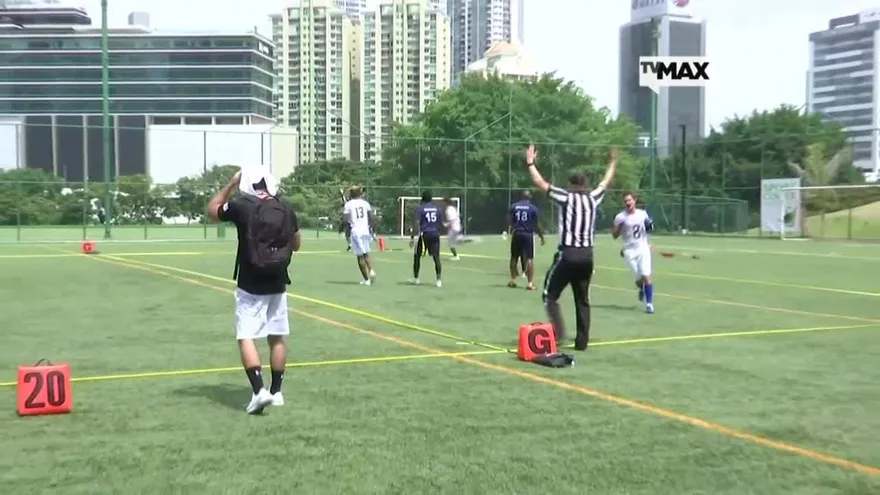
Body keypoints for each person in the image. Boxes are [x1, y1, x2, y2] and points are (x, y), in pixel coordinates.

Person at [206, 167, 301, 414]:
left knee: (246, 336)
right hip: (278, 280)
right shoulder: (286, 208)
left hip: (250, 282)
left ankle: (259, 390)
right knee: (277, 336)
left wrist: (230, 185)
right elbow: (297, 244)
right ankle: (277, 391)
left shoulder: (241, 206)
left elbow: (212, 212)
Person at [525, 143, 617, 351]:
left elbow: (540, 183)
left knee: (549, 295)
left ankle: (557, 333)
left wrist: (530, 162)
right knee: (582, 299)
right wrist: (612, 162)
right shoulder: (593, 198)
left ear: (571, 185)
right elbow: (606, 182)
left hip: (569, 254)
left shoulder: (566, 197)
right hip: (587, 256)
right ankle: (582, 342)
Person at [612, 192, 655, 313]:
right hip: (629, 250)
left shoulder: (642, 214)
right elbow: (614, 235)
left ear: (634, 201)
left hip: (642, 248)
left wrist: (650, 228)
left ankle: (649, 304)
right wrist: (620, 227)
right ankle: (642, 288)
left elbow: (648, 229)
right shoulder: (620, 217)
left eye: (629, 200)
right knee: (639, 280)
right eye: (625, 201)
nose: (628, 203)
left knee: (646, 276)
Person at [507, 190, 545, 290]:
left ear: (520, 197)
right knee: (529, 258)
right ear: (529, 197)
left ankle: (513, 280)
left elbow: (509, 220)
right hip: (528, 234)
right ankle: (530, 283)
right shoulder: (533, 208)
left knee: (514, 257)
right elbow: (536, 224)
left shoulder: (514, 206)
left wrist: (511, 229)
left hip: (517, 233)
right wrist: (541, 236)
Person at [342, 186, 377, 285]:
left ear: (351, 194)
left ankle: (366, 280)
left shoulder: (348, 205)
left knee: (360, 256)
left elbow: (345, 219)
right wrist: (372, 230)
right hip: (365, 230)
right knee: (366, 253)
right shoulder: (365, 203)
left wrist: (344, 227)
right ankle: (371, 270)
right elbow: (371, 217)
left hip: (356, 231)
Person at [409, 190, 443, 287]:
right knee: (436, 257)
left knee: (417, 256)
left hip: (424, 235)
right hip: (435, 234)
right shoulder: (437, 208)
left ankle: (416, 278)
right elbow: (440, 222)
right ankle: (438, 280)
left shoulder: (421, 209)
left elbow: (416, 224)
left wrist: (412, 237)